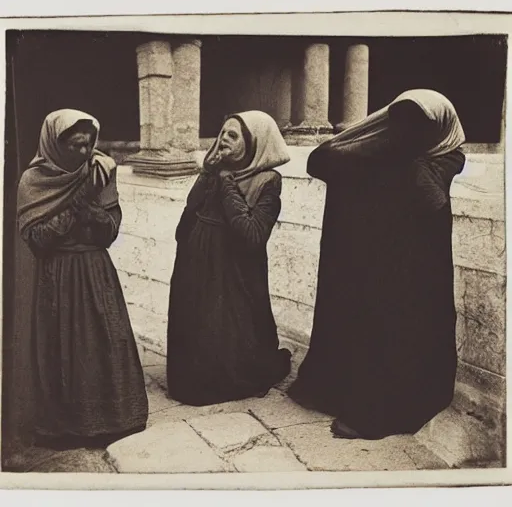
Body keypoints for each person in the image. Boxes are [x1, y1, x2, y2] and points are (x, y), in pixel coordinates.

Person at [287, 89, 466, 440]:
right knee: (372, 328)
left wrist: (408, 168)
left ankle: (383, 410)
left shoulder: (444, 158)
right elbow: (321, 161)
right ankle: (347, 394)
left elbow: (430, 205)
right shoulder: (392, 150)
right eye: (400, 123)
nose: (405, 133)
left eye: (416, 125)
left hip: (421, 268)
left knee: (409, 333)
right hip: (381, 261)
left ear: (438, 127)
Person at [17, 109, 148, 449]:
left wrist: (90, 211)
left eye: (88, 144)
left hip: (95, 271)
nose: (83, 152)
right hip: (57, 275)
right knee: (62, 348)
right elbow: (38, 240)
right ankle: (68, 426)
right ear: (55, 144)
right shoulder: (35, 181)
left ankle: (112, 420)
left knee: (104, 342)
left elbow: (109, 232)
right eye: (75, 145)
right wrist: (75, 207)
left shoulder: (100, 171)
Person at [166, 110, 292, 406]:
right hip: (198, 262)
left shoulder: (268, 181)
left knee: (228, 327)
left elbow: (252, 234)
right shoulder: (217, 171)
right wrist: (207, 174)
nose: (222, 140)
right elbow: (191, 209)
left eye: (232, 136)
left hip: (234, 269)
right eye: (222, 133)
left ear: (254, 143)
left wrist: (225, 183)